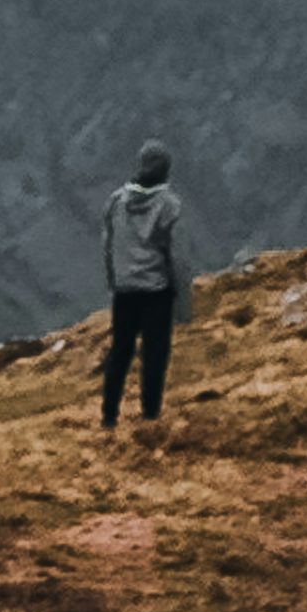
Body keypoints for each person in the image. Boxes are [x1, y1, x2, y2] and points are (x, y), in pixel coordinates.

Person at [101, 141, 192, 429]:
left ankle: (109, 416)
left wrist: (114, 281)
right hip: (156, 292)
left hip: (125, 290)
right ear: (166, 170)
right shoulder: (170, 205)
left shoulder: (116, 201)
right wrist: (183, 304)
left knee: (120, 352)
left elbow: (108, 246)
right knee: (154, 353)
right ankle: (150, 415)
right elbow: (177, 257)